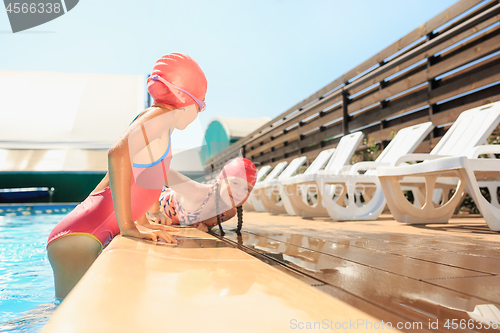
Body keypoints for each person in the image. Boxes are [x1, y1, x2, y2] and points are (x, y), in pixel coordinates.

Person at [46, 53, 208, 299]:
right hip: (77, 238)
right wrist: (128, 226)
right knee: (68, 317)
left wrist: (142, 221)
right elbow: (116, 155)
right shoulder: (159, 118)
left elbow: (141, 179)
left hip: (82, 234)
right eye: (201, 104)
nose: (200, 111)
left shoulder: (159, 126)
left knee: (66, 311)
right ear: (184, 98)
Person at [142, 157, 257, 235]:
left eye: (247, 189)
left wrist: (203, 226)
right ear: (220, 180)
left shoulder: (229, 213)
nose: (239, 192)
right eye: (235, 183)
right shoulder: (196, 192)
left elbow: (202, 223)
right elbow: (155, 169)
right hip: (152, 199)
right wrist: (154, 211)